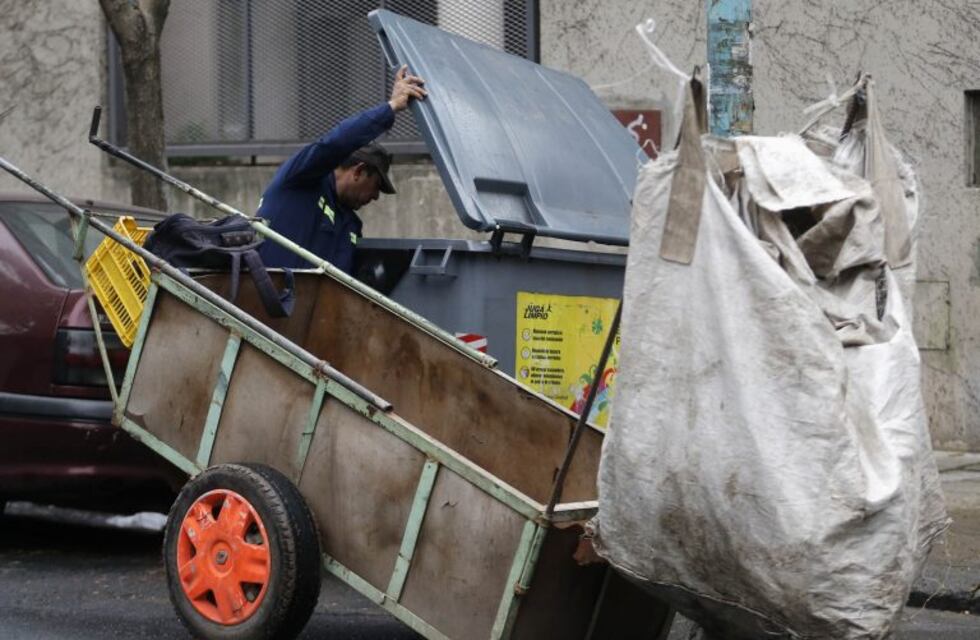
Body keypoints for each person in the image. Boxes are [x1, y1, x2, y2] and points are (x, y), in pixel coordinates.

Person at [257, 65, 427, 274]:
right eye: (376, 186)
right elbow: (335, 143)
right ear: (358, 171)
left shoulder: (350, 225)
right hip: (266, 300)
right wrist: (390, 108)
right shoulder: (302, 179)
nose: (375, 197)